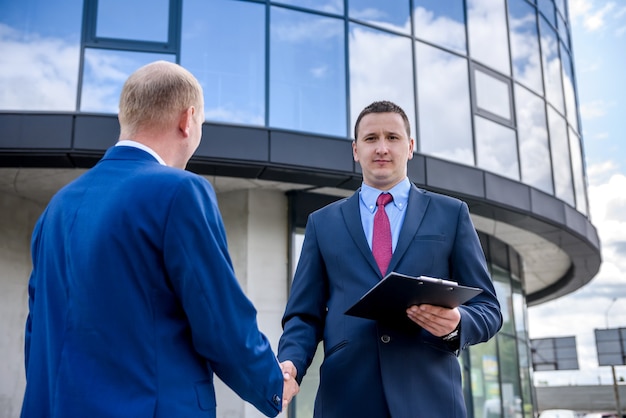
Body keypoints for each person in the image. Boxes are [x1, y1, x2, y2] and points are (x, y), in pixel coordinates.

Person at [21, 60, 298, 418]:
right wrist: (273, 383)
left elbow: (37, 332)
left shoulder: (58, 206)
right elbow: (219, 319)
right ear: (188, 119)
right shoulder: (179, 191)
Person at [277, 100, 502, 417]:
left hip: (431, 399)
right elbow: (304, 316)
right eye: (371, 139)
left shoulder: (451, 215)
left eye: (392, 138)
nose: (382, 148)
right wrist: (290, 364)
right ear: (356, 150)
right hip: (346, 399)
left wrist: (458, 323)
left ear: (410, 147)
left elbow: (489, 308)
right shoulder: (322, 223)